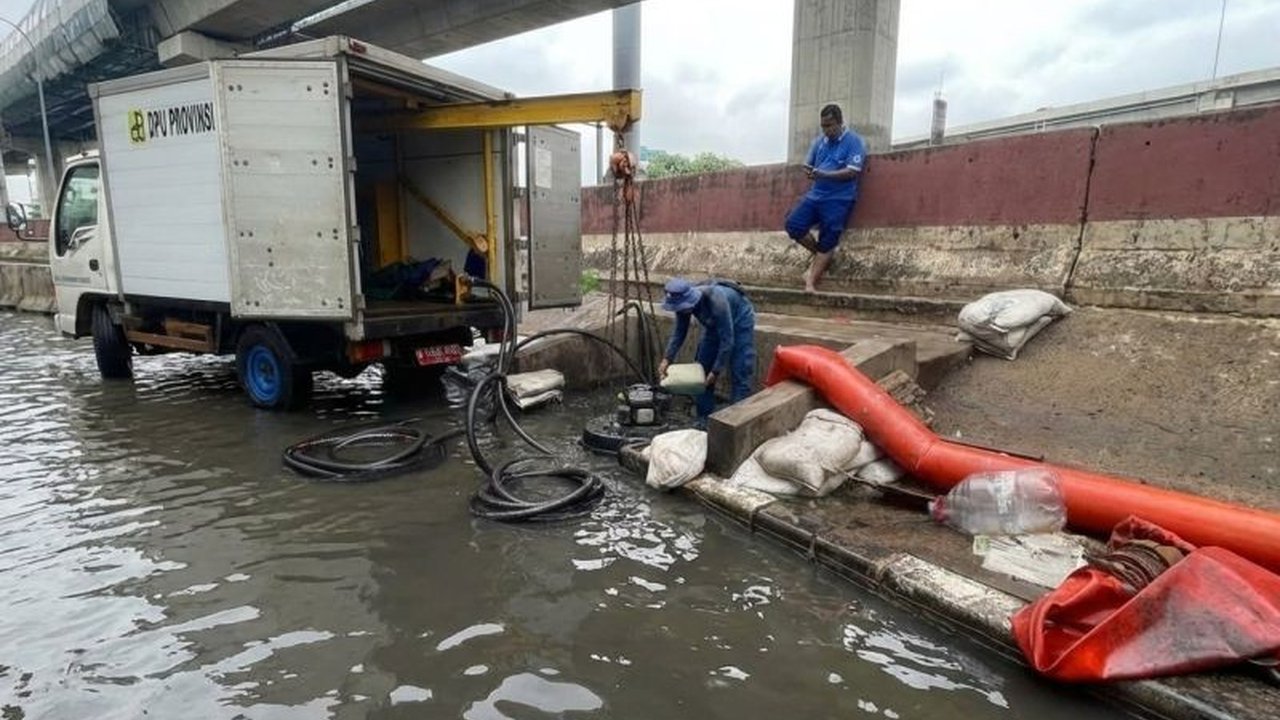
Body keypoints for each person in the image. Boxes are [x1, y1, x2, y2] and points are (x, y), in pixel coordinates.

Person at [784, 103, 866, 293]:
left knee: (829, 237)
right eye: (823, 126)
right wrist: (810, 171)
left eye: (829, 126)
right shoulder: (820, 142)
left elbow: (852, 172)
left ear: (840, 123)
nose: (826, 130)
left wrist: (824, 174)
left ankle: (810, 282)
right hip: (816, 195)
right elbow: (808, 165)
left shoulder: (854, 141)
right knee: (793, 225)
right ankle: (821, 255)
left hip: (839, 198)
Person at [658, 277, 756, 423]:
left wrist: (715, 371)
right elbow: (679, 333)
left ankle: (737, 422)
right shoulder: (682, 307)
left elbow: (727, 340)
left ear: (691, 300)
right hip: (713, 327)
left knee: (740, 368)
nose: (682, 311)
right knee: (702, 372)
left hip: (739, 320)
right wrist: (667, 359)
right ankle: (704, 420)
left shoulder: (717, 301)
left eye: (683, 308)